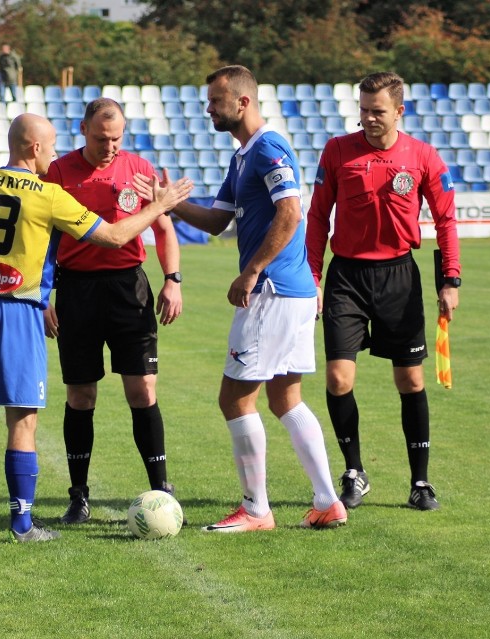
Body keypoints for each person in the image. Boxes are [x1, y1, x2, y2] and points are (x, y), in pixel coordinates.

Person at [0, 113, 194, 543]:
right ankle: (22, 525)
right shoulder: (49, 195)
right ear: (34, 148)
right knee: (22, 421)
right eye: (52, 145)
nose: (56, 153)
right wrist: (158, 206)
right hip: (18, 311)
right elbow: (114, 236)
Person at [141, 65, 347, 532]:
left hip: (272, 291)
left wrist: (252, 271)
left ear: (242, 102)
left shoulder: (268, 148)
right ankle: (328, 502)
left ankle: (257, 510)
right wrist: (167, 203)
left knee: (234, 397)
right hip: (291, 291)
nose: (209, 109)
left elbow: (291, 214)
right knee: (286, 398)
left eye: (215, 100)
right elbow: (217, 220)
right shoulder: (243, 156)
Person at [305, 71, 461, 512]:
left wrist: (450, 279)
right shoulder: (337, 150)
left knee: (409, 379)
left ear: (399, 111)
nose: (369, 118)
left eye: (378, 111)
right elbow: (318, 216)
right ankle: (354, 472)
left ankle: (420, 482)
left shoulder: (423, 156)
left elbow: (446, 220)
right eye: (363, 110)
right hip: (347, 279)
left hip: (399, 277)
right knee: (338, 379)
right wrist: (312, 280)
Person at [41, 98, 184, 525]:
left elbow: (164, 228)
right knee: (81, 395)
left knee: (142, 389)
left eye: (117, 138)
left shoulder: (139, 169)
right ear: (82, 129)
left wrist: (172, 280)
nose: (110, 147)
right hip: (76, 291)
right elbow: (44, 238)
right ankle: (78, 494)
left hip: (129, 289)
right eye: (102, 138)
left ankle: (161, 488)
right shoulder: (60, 172)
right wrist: (44, 295)